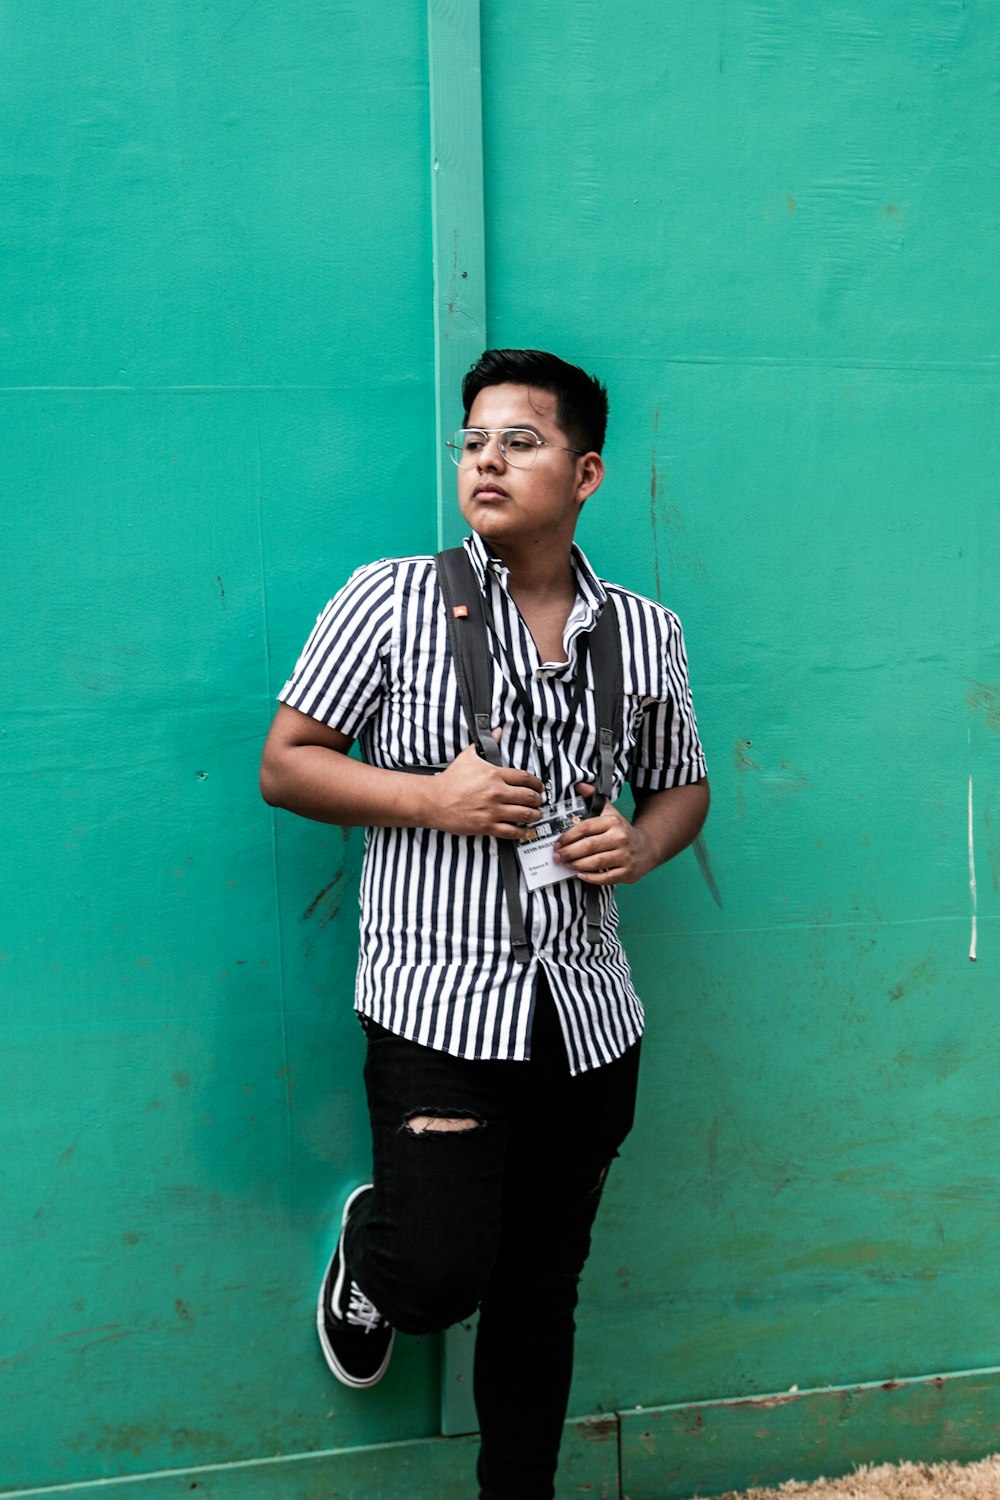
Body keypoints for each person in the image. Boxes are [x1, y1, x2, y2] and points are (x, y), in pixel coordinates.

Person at [259, 348, 709, 1500]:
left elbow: (681, 785)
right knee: (440, 1278)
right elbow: (286, 766)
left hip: (589, 1015)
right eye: (473, 441)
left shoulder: (647, 633)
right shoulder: (392, 598)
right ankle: (376, 1257)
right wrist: (428, 797)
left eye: (521, 440)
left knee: (540, 1285)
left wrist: (643, 843)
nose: (488, 460)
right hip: (437, 1008)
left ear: (587, 472)